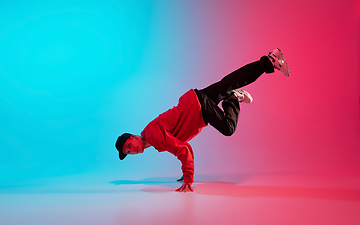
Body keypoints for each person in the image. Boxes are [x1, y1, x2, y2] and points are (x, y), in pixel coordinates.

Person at [115, 48, 290, 192]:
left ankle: (235, 97)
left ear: (132, 137)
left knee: (228, 126)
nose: (132, 151)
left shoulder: (152, 136)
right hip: (196, 105)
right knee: (231, 81)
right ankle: (266, 64)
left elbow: (181, 149)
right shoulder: (151, 141)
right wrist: (186, 173)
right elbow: (185, 145)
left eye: (129, 146)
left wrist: (189, 178)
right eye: (129, 152)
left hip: (197, 107)